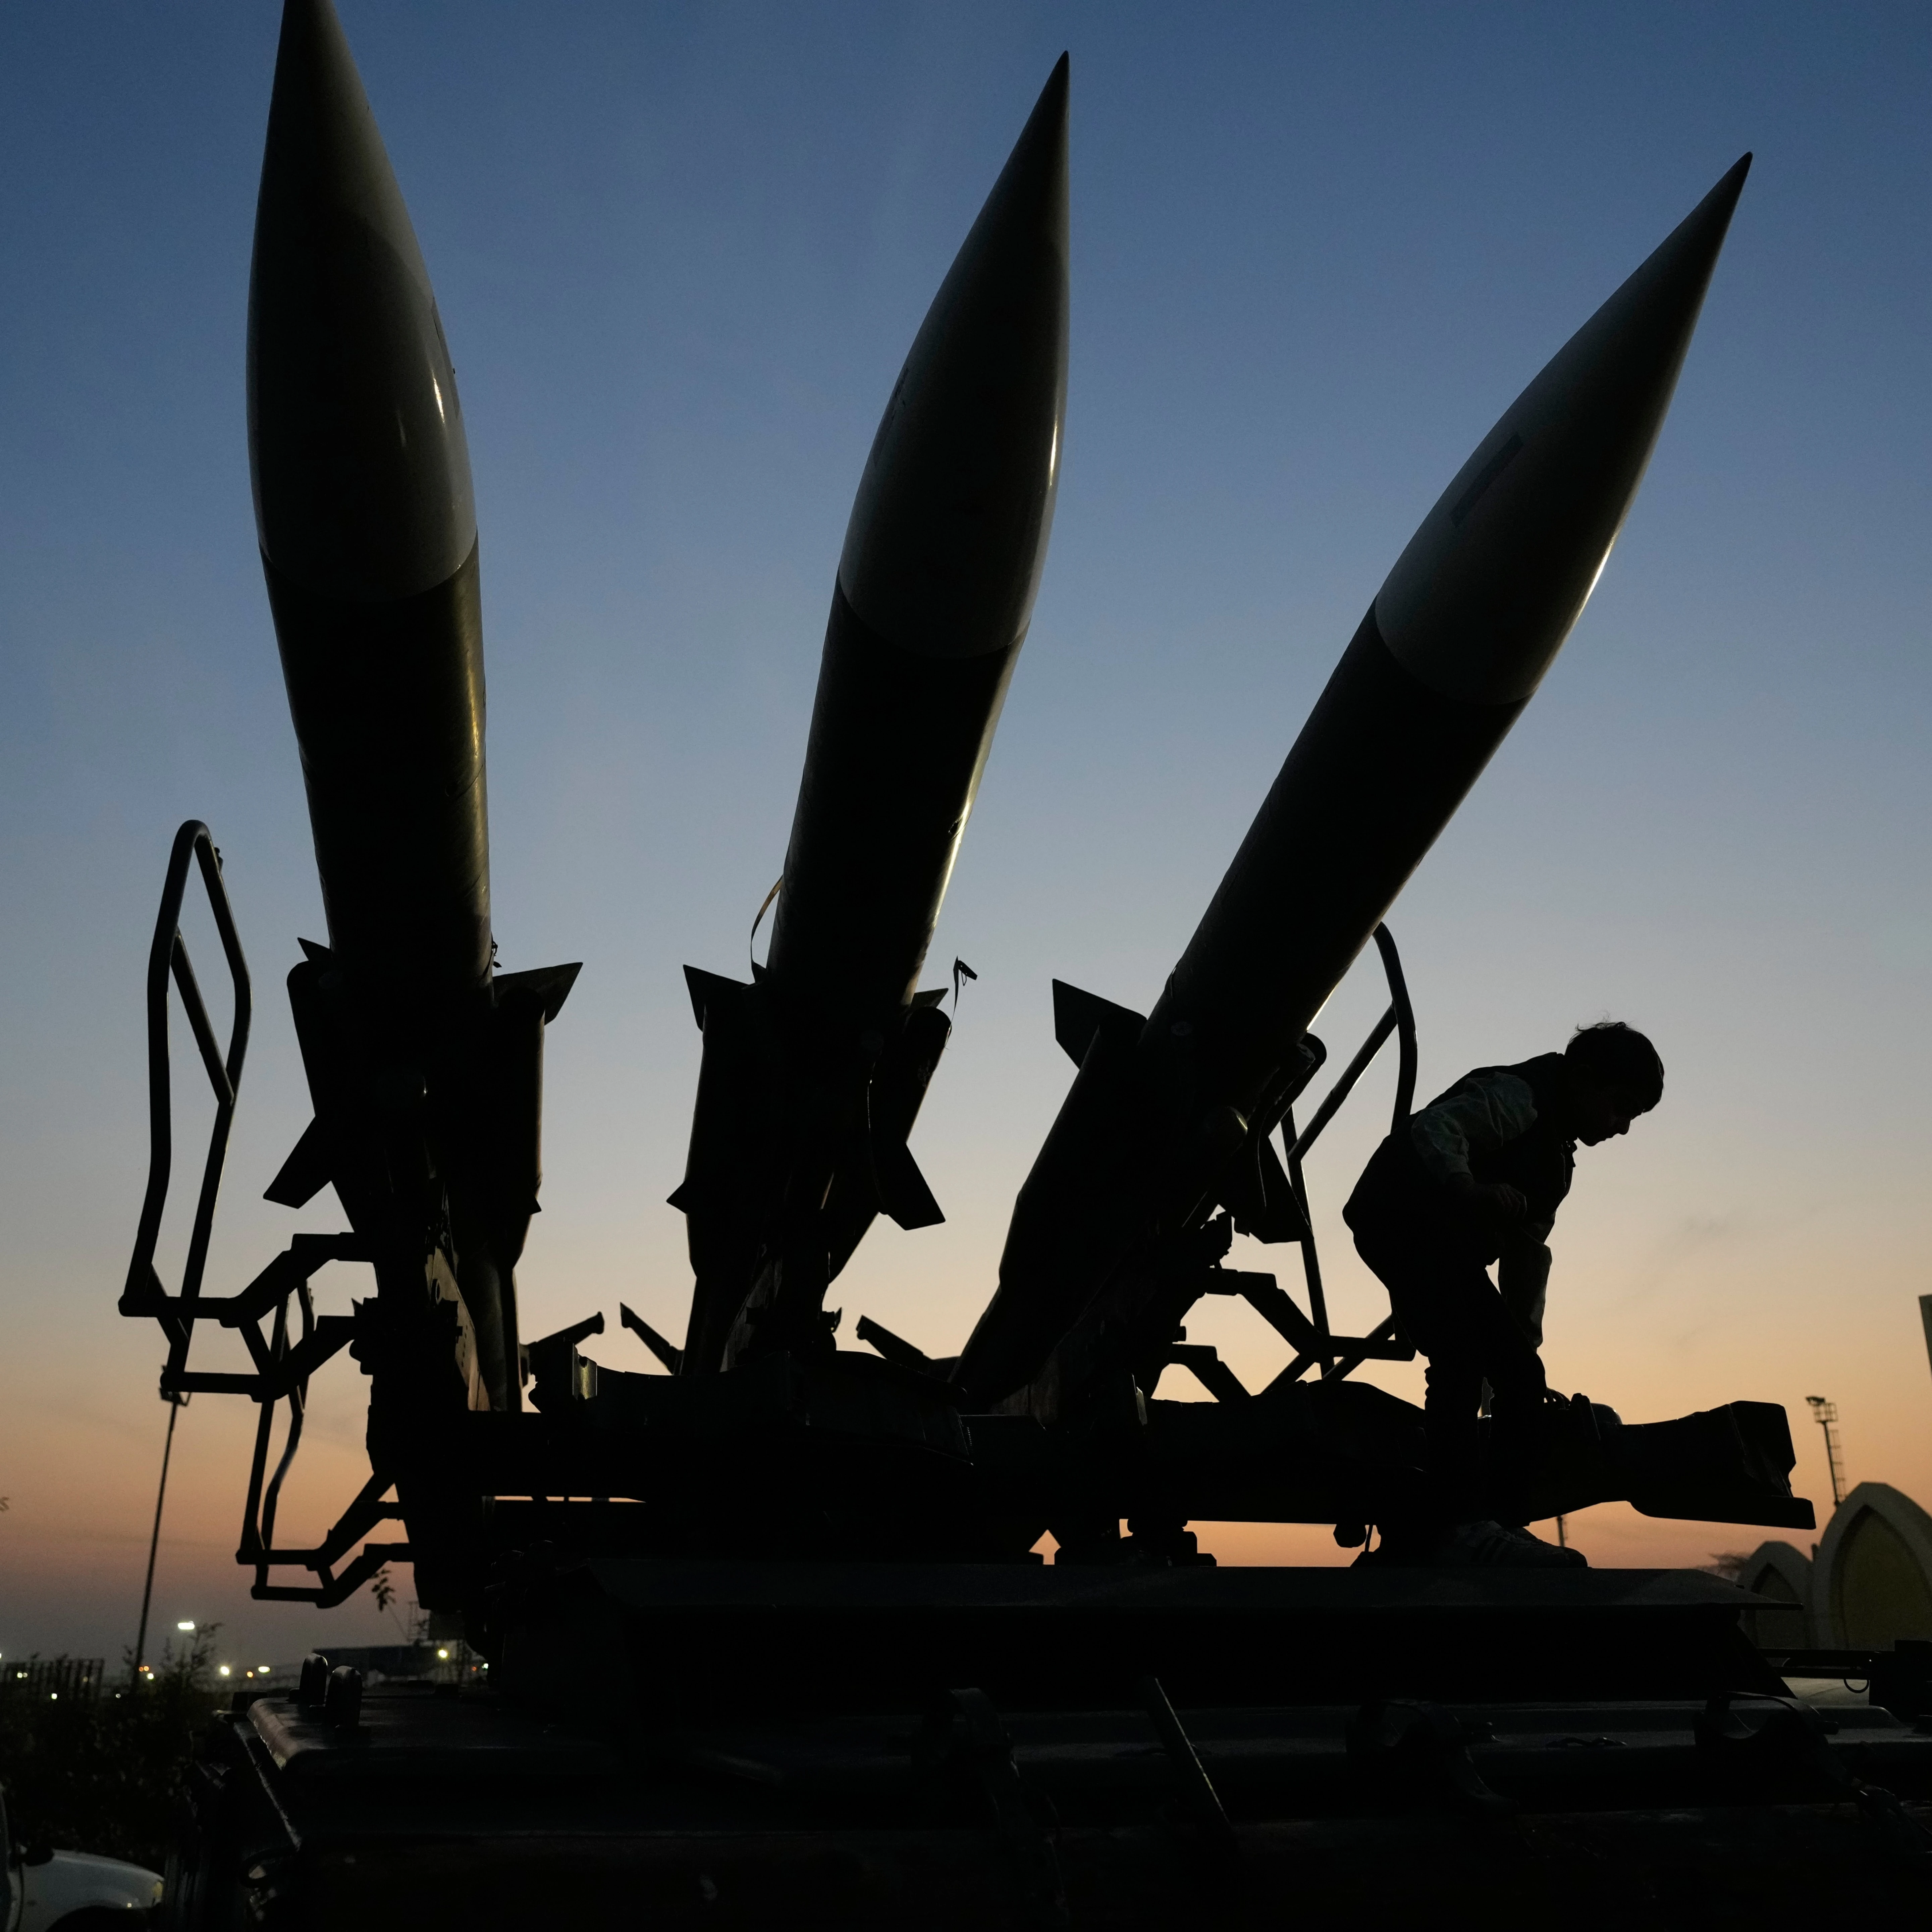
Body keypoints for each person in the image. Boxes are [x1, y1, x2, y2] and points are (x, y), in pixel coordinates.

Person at [1342, 1021, 1664, 1568]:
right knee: (1460, 1356)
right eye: (1620, 1107)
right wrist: (1467, 1188)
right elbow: (1439, 1130)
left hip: (1443, 1248)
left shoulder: (1555, 1166)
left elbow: (1526, 1259)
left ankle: (1499, 1522)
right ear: (1583, 1080)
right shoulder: (1520, 1097)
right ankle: (1463, 1522)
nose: (1623, 1127)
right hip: (1399, 1217)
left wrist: (1521, 1347)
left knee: (1518, 1375)